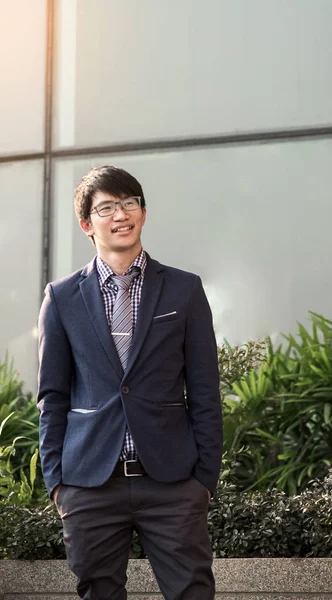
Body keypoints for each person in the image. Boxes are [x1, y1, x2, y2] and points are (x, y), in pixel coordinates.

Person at [37, 165, 223, 600]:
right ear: (87, 223)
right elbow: (53, 395)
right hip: (89, 484)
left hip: (173, 484)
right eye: (106, 207)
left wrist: (204, 479)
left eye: (129, 203)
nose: (120, 214)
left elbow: (204, 390)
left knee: (193, 593)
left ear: (143, 212)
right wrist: (57, 483)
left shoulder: (184, 290)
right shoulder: (62, 298)